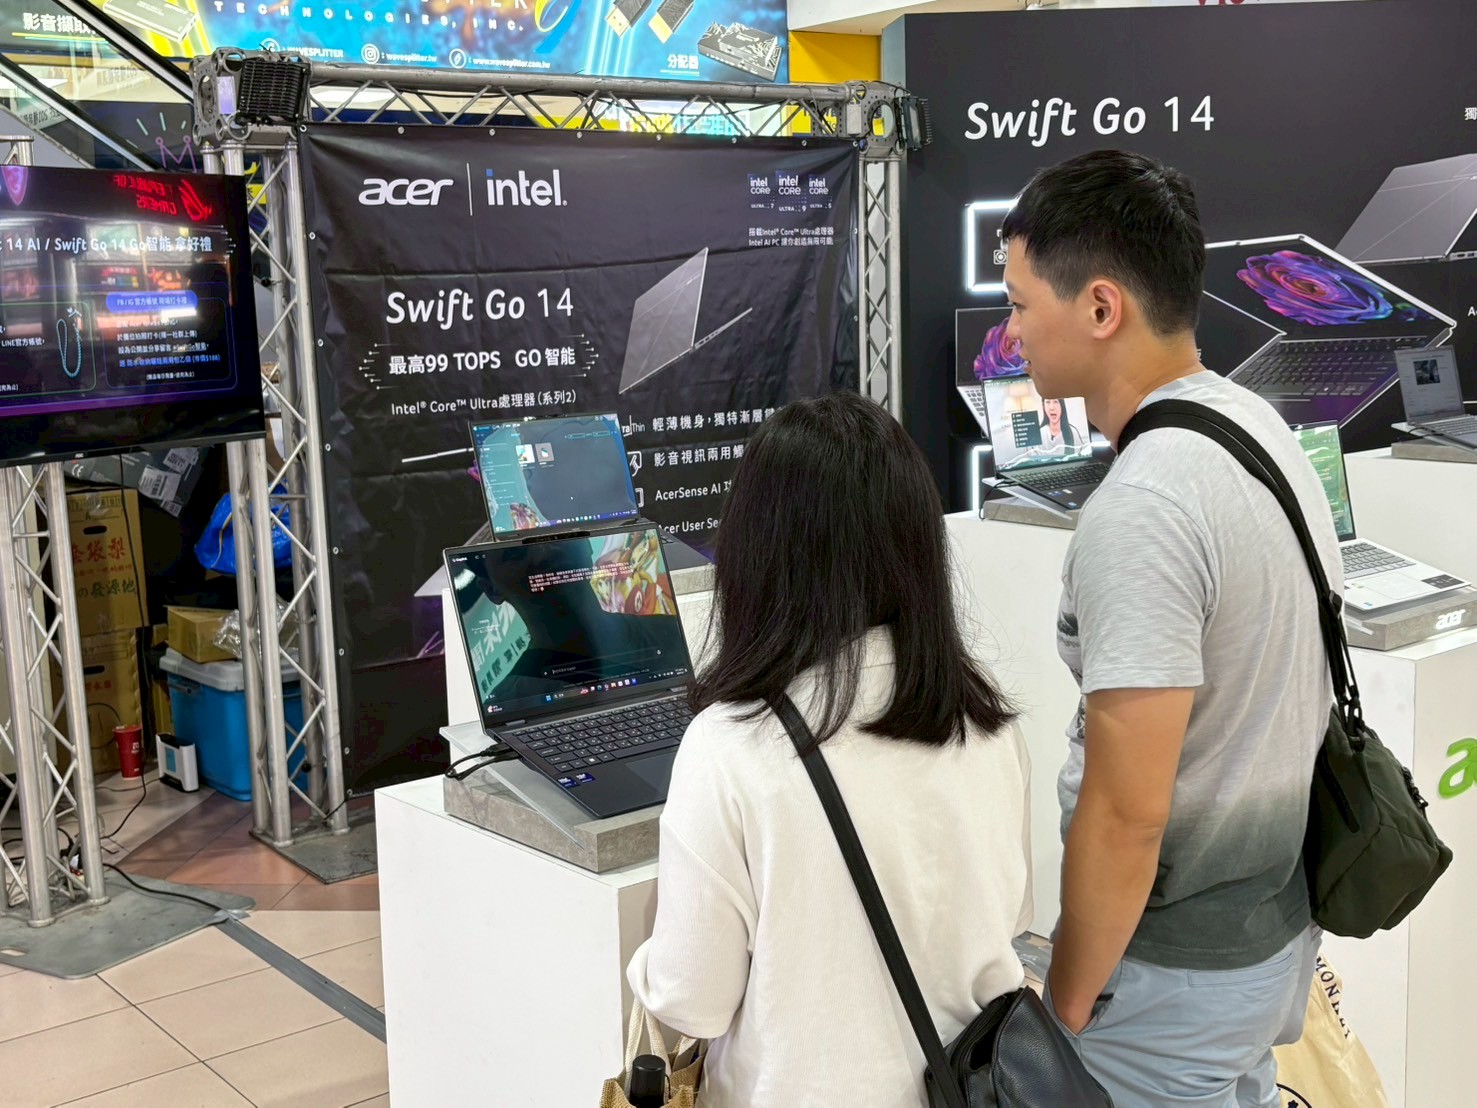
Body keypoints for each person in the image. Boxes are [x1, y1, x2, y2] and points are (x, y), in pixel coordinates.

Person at [1000, 149, 1337, 1107]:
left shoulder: (1144, 507)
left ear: (1101, 307)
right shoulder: (1257, 429)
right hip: (1265, 936)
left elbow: (1127, 812)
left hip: (1168, 980)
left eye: (1021, 304)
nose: (1010, 331)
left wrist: (1067, 1004)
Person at [627, 391, 1032, 1107]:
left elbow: (693, 1001)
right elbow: (1011, 920)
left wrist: (644, 967)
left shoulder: (731, 746)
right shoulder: (983, 720)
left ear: (757, 553)